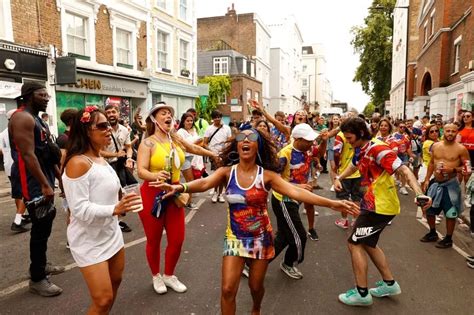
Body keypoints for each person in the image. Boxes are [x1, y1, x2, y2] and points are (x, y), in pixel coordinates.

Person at [155, 127, 358, 314]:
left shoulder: (267, 176)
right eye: (241, 138)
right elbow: (205, 182)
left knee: (255, 286)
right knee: (227, 289)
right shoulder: (227, 172)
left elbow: (295, 191)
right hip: (234, 238)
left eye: (251, 138)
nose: (245, 140)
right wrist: (181, 187)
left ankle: (256, 308)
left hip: (261, 238)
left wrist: (332, 204)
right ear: (237, 145)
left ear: (257, 145)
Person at [335, 117, 431, 306]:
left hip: (378, 207)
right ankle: (389, 284)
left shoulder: (378, 149)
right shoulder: (360, 148)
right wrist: (340, 177)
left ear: (361, 133)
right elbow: (355, 163)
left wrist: (420, 193)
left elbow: (403, 170)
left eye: (349, 137)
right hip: (374, 204)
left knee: (354, 243)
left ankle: (361, 294)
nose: (347, 141)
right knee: (368, 244)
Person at [62, 106, 142, 313]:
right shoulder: (78, 163)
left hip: (110, 233)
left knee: (115, 282)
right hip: (89, 240)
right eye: (102, 125)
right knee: (103, 298)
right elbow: (79, 210)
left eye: (109, 124)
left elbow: (108, 190)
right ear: (86, 130)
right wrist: (115, 208)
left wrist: (123, 197)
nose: (109, 129)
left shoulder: (101, 158)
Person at [136, 102, 218, 295]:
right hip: (152, 194)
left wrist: (213, 154)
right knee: (154, 239)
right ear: (154, 119)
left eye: (170, 114)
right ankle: (156, 275)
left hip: (174, 191)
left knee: (177, 239)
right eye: (163, 113)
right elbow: (141, 171)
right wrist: (154, 176)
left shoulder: (175, 139)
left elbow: (194, 149)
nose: (168, 116)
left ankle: (169, 275)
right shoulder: (147, 142)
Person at [9, 82, 64, 296]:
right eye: (42, 94)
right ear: (29, 96)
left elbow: (48, 153)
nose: (47, 97)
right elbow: (28, 155)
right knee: (40, 226)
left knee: (47, 220)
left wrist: (59, 179)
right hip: (32, 182)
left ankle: (40, 264)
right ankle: (37, 278)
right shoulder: (21, 117)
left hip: (45, 177)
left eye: (47, 94)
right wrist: (43, 184)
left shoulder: (37, 119)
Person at [271, 123, 322, 279]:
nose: (311, 143)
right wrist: (299, 186)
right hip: (284, 200)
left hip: (295, 199)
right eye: (308, 141)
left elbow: (319, 152)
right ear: (298, 139)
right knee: (299, 236)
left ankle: (253, 265)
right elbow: (274, 180)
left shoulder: (306, 150)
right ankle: (289, 263)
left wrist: (318, 161)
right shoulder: (284, 154)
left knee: (284, 237)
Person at [421, 124, 471, 248]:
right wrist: (427, 179)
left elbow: (467, 167)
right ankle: (432, 233)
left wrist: (453, 170)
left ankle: (448, 239)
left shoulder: (461, 149)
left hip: (451, 185)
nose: (450, 133)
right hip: (435, 183)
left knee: (450, 213)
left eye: (453, 131)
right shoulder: (436, 146)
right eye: (448, 131)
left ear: (457, 133)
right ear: (444, 131)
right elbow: (432, 163)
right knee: (429, 209)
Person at [101, 104, 136, 233]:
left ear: (118, 114)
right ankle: (111, 221)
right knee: (110, 194)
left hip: (120, 165)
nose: (111, 114)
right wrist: (115, 154)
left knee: (121, 192)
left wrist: (129, 158)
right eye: (108, 112)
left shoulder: (124, 130)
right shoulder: (102, 130)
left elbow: (128, 147)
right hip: (105, 166)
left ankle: (118, 221)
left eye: (113, 112)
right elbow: (98, 152)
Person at [0, 109, 29, 232]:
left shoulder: (2, 133)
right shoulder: (17, 130)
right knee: (26, 193)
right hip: (19, 165)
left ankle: (20, 216)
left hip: (8, 166)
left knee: (17, 192)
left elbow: (1, 150)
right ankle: (17, 220)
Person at [333, 115, 362, 229]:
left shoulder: (340, 136)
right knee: (356, 198)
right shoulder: (359, 136)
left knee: (343, 198)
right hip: (358, 172)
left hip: (345, 171)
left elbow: (336, 152)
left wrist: (336, 166)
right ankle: (355, 221)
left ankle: (344, 220)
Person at [204, 110, 233, 203]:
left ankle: (220, 194)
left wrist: (225, 148)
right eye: (215, 117)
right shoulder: (209, 129)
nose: (217, 119)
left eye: (219, 117)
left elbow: (229, 141)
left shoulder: (227, 128)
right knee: (217, 174)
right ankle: (216, 193)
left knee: (221, 175)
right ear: (212, 119)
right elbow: (204, 143)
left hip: (224, 154)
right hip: (213, 154)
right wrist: (211, 152)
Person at [176, 112, 202, 209]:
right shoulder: (180, 132)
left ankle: (185, 200)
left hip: (194, 157)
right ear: (183, 121)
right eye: (188, 121)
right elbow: (182, 147)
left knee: (192, 180)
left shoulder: (194, 130)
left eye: (191, 120)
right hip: (184, 157)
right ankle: (188, 202)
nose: (190, 122)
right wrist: (196, 142)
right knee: (190, 181)